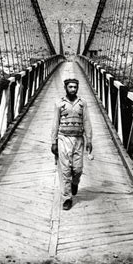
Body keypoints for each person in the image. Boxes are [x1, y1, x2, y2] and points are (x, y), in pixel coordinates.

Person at [51, 77, 93, 210]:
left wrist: (89, 139)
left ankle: (75, 183)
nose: (73, 89)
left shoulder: (83, 103)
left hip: (78, 139)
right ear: (65, 88)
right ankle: (67, 198)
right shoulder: (59, 103)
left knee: (78, 169)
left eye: (75, 87)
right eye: (70, 87)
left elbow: (86, 121)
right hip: (63, 138)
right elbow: (55, 123)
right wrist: (53, 142)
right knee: (65, 170)